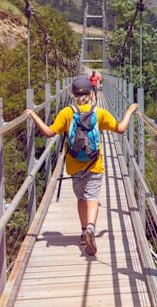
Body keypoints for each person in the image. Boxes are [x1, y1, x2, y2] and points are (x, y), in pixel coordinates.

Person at [25, 77, 138, 255]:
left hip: (73, 164)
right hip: (95, 163)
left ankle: (83, 229)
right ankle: (91, 229)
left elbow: (49, 133)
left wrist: (33, 115)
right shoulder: (99, 112)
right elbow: (121, 129)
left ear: (72, 95)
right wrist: (130, 111)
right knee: (92, 197)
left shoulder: (66, 113)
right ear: (92, 94)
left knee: (81, 198)